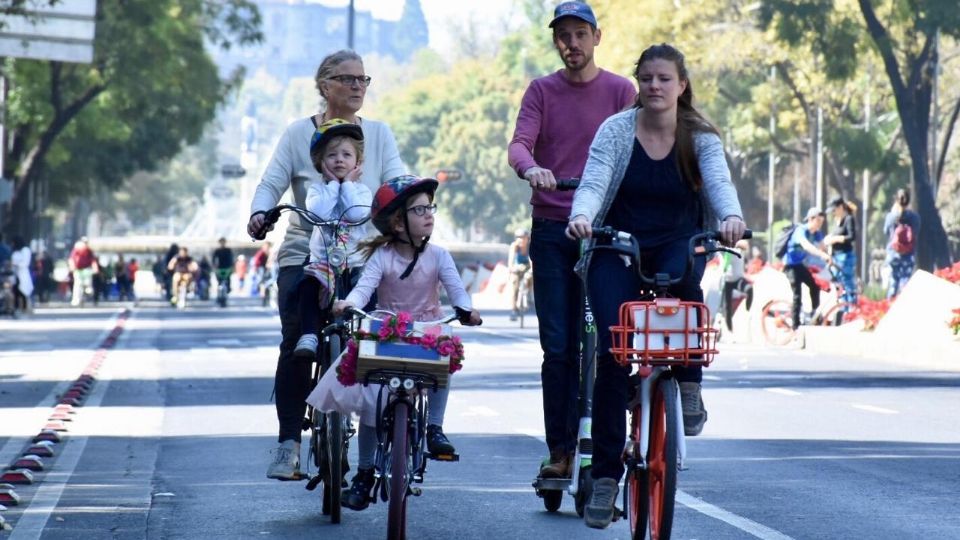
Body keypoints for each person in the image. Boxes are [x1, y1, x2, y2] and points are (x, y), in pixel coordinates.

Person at [565, 43, 746, 529]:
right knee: (612, 350)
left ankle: (687, 384)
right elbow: (596, 180)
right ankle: (604, 476)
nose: (654, 87)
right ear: (638, 84)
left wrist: (730, 217)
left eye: (664, 78)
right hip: (615, 244)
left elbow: (719, 183)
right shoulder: (617, 130)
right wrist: (582, 216)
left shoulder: (700, 136)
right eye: (646, 78)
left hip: (675, 240)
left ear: (682, 85)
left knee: (686, 286)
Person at [246, 49, 405, 481]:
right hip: (307, 248)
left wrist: (412, 209)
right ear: (324, 85)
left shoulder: (379, 134)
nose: (357, 86)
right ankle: (287, 445)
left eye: (363, 80)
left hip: (363, 251)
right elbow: (271, 183)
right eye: (347, 79)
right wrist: (260, 214)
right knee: (297, 338)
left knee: (379, 342)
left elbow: (396, 182)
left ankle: (385, 437)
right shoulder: (298, 134)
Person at [507, 0, 636, 481]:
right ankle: (559, 449)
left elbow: (638, 142)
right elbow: (520, 143)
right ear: (555, 41)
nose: (572, 44)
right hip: (554, 228)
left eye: (581, 34)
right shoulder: (541, 91)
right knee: (558, 347)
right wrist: (532, 168)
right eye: (563, 35)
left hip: (605, 232)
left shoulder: (622, 90)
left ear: (597, 37)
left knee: (610, 343)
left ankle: (611, 444)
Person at [322, 175, 482, 511]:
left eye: (430, 207)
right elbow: (363, 290)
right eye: (419, 209)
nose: (429, 215)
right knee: (370, 404)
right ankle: (364, 473)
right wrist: (348, 303)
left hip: (426, 332)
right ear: (397, 222)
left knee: (446, 349)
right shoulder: (381, 257)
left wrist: (467, 311)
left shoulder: (439, 256)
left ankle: (435, 428)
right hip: (386, 332)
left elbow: (457, 292)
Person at [294, 119, 371, 357]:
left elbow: (357, 212)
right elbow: (318, 213)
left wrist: (347, 184)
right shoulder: (317, 191)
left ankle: (368, 336)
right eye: (332, 155)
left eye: (346, 155)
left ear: (357, 163)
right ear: (321, 162)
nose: (339, 159)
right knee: (306, 286)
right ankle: (309, 335)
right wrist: (333, 186)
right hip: (323, 264)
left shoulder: (362, 191)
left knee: (371, 290)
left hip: (354, 263)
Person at [782, 207, 832, 329]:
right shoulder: (801, 231)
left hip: (800, 265)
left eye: (822, 222)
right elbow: (806, 246)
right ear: (810, 219)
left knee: (815, 287)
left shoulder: (816, 233)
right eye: (818, 221)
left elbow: (822, 246)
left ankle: (814, 315)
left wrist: (830, 256)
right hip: (790, 266)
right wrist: (821, 254)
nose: (820, 224)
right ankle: (795, 326)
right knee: (797, 295)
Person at [883, 187, 920, 298]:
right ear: (908, 201)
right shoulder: (914, 217)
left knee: (893, 282)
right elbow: (915, 233)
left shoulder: (891, 217)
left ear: (896, 200)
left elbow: (885, 231)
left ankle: (890, 306)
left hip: (893, 254)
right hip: (908, 255)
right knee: (905, 282)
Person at [823, 196, 858, 305]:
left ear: (840, 207)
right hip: (835, 256)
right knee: (838, 284)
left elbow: (851, 236)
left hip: (845, 256)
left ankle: (851, 307)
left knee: (847, 283)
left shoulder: (848, 219)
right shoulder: (837, 221)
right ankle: (842, 308)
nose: (833, 213)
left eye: (834, 210)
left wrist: (835, 239)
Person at [720, 240, 754, 331]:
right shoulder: (731, 251)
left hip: (738, 279)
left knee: (749, 289)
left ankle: (748, 309)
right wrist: (724, 269)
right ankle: (729, 329)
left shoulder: (742, 252)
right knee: (727, 306)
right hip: (728, 280)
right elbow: (726, 261)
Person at [506, 229, 532, 320]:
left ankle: (529, 297)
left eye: (523, 238)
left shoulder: (530, 246)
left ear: (527, 238)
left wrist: (532, 269)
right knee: (514, 285)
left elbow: (531, 259)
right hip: (517, 268)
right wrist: (510, 269)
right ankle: (514, 309)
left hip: (528, 267)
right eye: (518, 238)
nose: (520, 240)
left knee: (530, 277)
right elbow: (511, 259)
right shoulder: (514, 246)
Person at [68, 237, 99, 307]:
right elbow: (71, 259)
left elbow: (93, 260)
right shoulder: (76, 249)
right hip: (78, 270)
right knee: (77, 285)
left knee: (88, 283)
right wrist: (72, 267)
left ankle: (88, 290)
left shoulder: (89, 251)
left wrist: (95, 268)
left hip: (87, 269)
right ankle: (76, 300)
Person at [10, 236, 33, 312]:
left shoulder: (25, 250)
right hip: (16, 274)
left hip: (22, 274)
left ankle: (24, 308)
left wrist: (16, 264)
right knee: (16, 291)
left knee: (24, 291)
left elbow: (25, 263)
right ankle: (17, 307)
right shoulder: (15, 252)